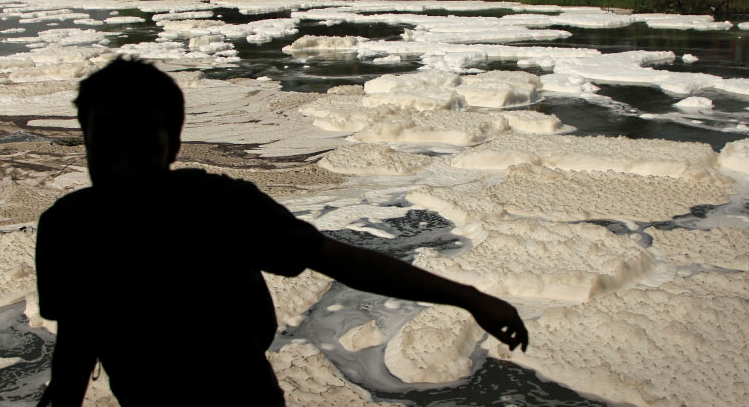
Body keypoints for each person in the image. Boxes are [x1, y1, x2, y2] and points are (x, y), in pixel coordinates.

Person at [35, 58, 527, 406]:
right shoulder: (67, 227)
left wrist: (469, 297)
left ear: (175, 143)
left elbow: (344, 261)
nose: (123, 167)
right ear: (85, 141)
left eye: (141, 145)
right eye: (106, 146)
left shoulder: (222, 207)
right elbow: (79, 332)